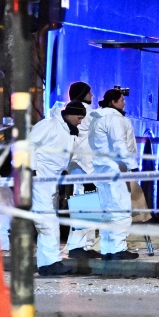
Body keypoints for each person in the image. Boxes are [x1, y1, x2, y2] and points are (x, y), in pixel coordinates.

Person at [29, 100, 87, 276]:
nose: (80, 121)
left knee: (47, 222)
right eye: (79, 117)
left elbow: (67, 158)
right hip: (39, 179)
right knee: (47, 222)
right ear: (69, 115)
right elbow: (28, 144)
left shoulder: (69, 132)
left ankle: (47, 264)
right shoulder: (48, 126)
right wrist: (30, 170)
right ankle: (51, 263)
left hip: (50, 182)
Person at [87, 88, 139, 260]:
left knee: (108, 211)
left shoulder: (97, 118)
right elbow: (119, 145)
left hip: (101, 169)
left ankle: (108, 248)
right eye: (122, 100)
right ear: (113, 102)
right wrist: (133, 166)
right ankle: (117, 249)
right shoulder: (114, 119)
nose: (124, 102)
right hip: (117, 169)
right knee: (121, 209)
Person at [63, 81, 101, 259]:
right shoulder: (88, 114)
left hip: (80, 166)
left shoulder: (74, 113)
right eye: (89, 93)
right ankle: (79, 246)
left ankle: (83, 246)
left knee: (86, 205)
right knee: (86, 205)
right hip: (86, 167)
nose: (92, 96)